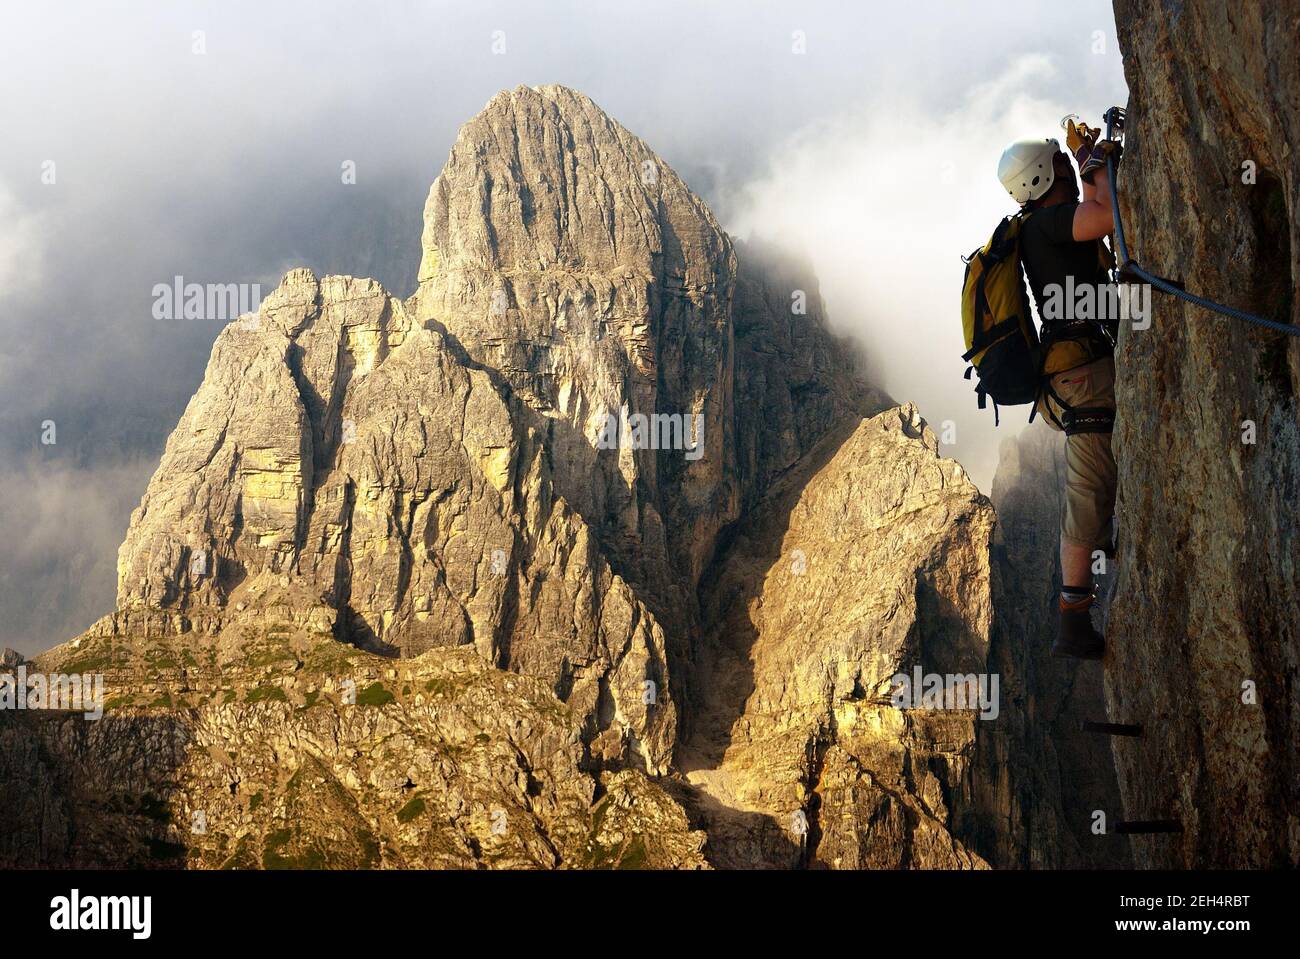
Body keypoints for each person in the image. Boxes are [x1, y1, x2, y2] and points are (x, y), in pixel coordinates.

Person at [996, 123, 1121, 660]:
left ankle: (1106, 539)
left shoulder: (1042, 224)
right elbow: (1109, 218)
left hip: (1072, 372)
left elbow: (1095, 215)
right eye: (1060, 162)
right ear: (1044, 175)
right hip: (1082, 379)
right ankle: (1072, 616)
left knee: (1097, 482)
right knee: (1086, 492)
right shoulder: (1048, 224)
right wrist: (1094, 160)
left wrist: (1089, 161)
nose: (1066, 166)